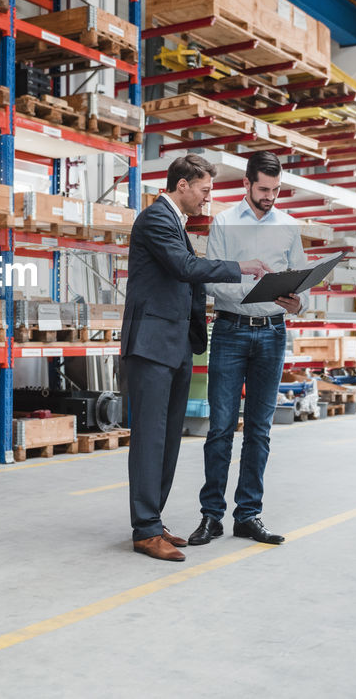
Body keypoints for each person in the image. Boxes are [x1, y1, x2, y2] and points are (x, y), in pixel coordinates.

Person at [120, 153, 271, 562]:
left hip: (175, 345)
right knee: (150, 440)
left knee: (168, 438)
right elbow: (184, 266)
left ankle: (153, 521)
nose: (207, 198)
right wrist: (239, 267)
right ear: (182, 185)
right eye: (204, 190)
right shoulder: (155, 219)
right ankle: (145, 530)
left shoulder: (176, 223)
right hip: (152, 346)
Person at [187, 151, 307, 548]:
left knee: (259, 429)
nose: (270, 197)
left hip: (273, 332)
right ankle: (210, 517)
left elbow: (300, 280)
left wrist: (296, 302)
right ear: (247, 184)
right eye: (263, 189)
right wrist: (253, 290)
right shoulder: (223, 222)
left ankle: (248, 515)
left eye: (275, 190)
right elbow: (212, 280)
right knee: (220, 428)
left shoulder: (289, 226)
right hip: (231, 331)